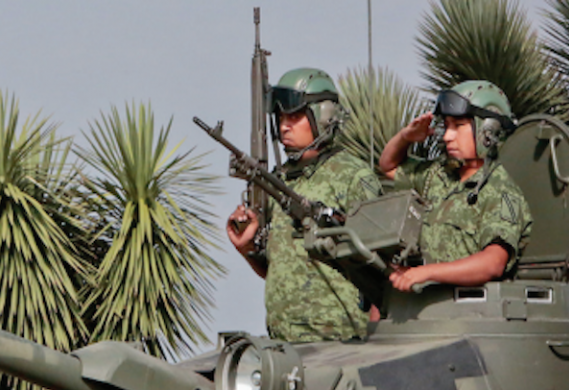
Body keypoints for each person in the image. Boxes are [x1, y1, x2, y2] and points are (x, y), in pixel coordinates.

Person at [227, 68, 382, 342]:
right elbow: (280, 270)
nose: (285, 125)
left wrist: (378, 342)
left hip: (341, 343)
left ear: (323, 117)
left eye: (295, 116)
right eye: (281, 117)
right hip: (283, 344)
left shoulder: (353, 177)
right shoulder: (279, 181)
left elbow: (381, 267)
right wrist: (247, 248)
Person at [378, 80, 532, 292]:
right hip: (426, 309)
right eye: (447, 126)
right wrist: (405, 137)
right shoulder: (438, 175)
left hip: (470, 315)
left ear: (488, 131)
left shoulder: (500, 191)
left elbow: (493, 263)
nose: (447, 136)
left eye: (458, 126)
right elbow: (388, 166)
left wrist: (428, 272)